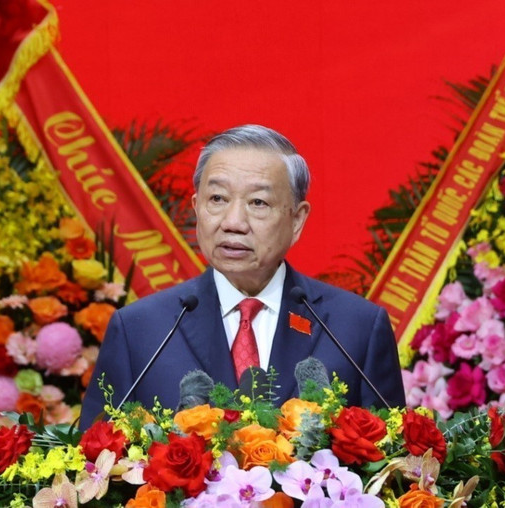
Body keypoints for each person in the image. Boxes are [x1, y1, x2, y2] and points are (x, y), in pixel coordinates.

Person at [80, 125, 405, 428]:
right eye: (217, 199)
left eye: (258, 202)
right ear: (196, 207)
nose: (233, 221)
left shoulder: (356, 329)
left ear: (297, 219)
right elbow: (95, 465)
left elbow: (393, 468)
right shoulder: (140, 330)